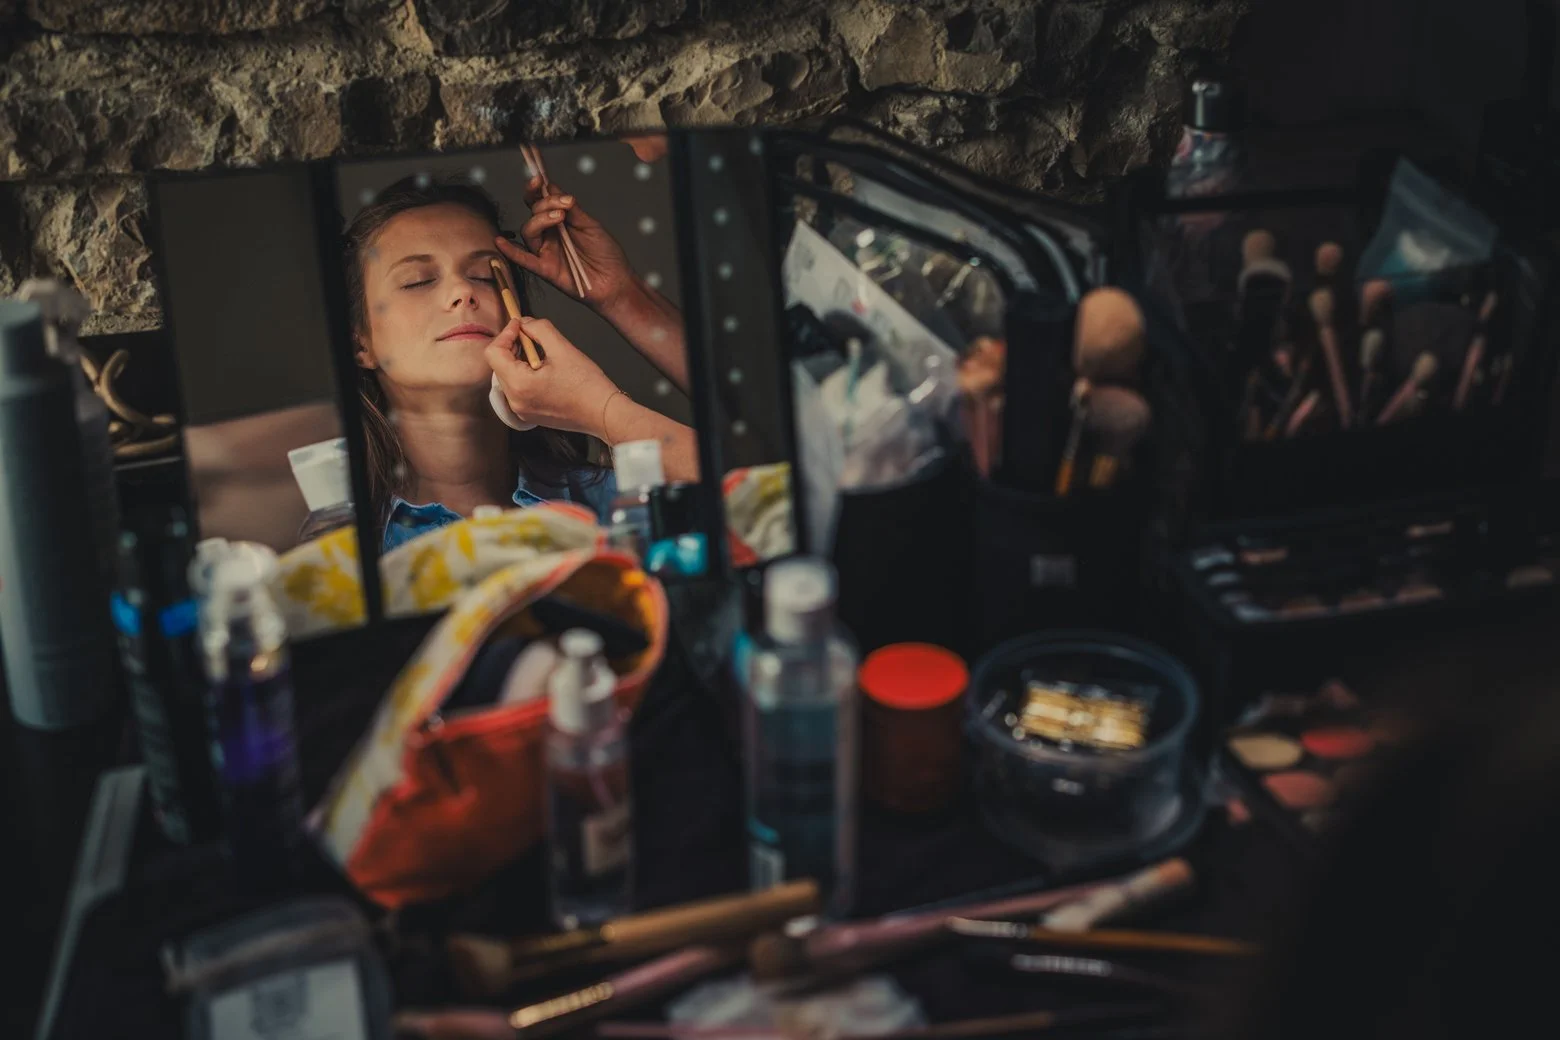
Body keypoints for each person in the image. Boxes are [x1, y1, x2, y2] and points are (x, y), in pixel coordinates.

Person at [342, 173, 697, 552]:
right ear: (360, 343)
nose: (463, 291)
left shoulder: (616, 503)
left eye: (483, 275)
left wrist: (601, 408)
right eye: (417, 281)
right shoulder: (344, 552)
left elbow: (757, 494)